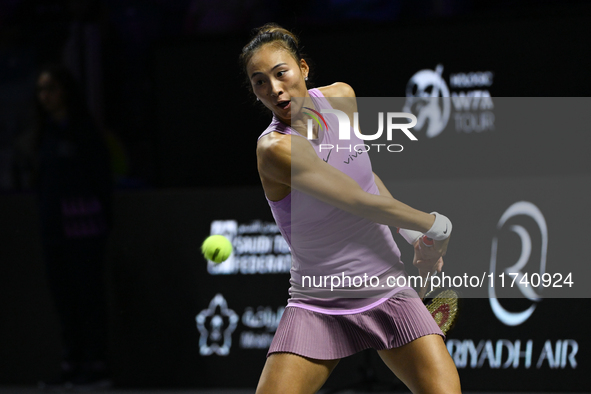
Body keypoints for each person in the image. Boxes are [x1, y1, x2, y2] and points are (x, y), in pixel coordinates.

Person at [240, 24, 462, 394]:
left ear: (304, 68)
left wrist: (413, 236)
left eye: (281, 73)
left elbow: (364, 178)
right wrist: (436, 225)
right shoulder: (275, 150)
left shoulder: (341, 98)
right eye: (260, 81)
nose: (274, 88)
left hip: (387, 287)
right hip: (318, 301)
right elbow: (355, 200)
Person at [32, 64, 113, 390]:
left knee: (88, 298)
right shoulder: (43, 135)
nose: (45, 96)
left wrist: (103, 221)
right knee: (64, 300)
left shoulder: (85, 132)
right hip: (54, 234)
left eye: (51, 88)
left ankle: (96, 367)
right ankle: (72, 365)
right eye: (40, 90)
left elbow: (101, 180)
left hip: (85, 233)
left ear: (66, 90)